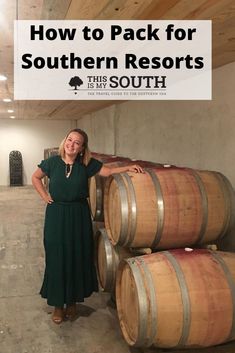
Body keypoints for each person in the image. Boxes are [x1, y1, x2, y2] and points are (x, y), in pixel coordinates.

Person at [32, 128, 143, 324]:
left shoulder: (87, 164)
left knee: (77, 257)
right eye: (69, 139)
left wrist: (127, 168)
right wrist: (44, 196)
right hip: (56, 215)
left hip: (79, 214)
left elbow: (108, 172)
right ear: (64, 141)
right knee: (57, 257)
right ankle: (58, 305)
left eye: (77, 142)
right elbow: (35, 177)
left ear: (82, 148)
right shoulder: (52, 162)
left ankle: (73, 303)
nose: (71, 144)